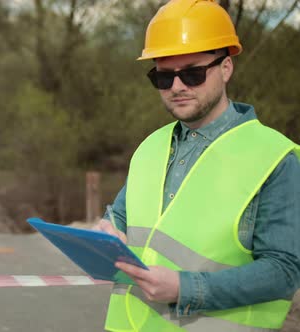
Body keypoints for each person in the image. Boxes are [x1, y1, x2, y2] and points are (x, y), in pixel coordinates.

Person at [92, 0, 300, 331]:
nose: (177, 87)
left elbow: (283, 271)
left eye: (192, 73)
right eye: (163, 76)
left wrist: (185, 288)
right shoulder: (151, 147)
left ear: (226, 68)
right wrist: (106, 234)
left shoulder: (274, 158)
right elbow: (120, 217)